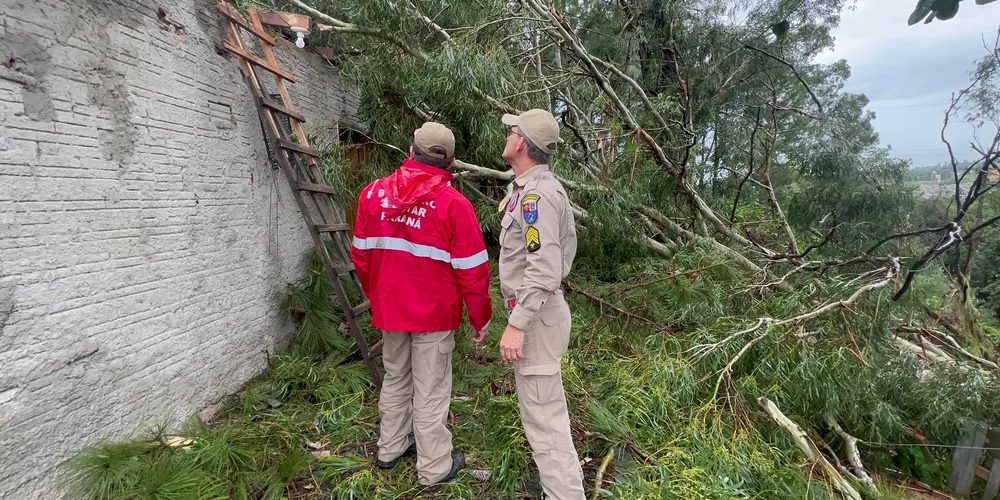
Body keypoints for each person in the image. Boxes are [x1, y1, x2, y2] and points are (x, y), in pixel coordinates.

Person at [350, 122, 492, 486]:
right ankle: (434, 469)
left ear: (410, 152)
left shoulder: (372, 195)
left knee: (396, 378)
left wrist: (376, 296)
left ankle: (389, 449)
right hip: (434, 315)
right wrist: (480, 319)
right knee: (430, 390)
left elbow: (361, 257)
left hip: (391, 309)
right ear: (452, 163)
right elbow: (473, 272)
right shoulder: (454, 206)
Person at [496, 109, 585, 499]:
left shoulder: (536, 195)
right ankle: (557, 484)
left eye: (512, 130)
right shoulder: (530, 188)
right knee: (543, 410)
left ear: (522, 143)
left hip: (536, 316)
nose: (508, 134)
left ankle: (564, 492)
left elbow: (545, 268)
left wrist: (517, 324)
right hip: (539, 312)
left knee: (545, 418)